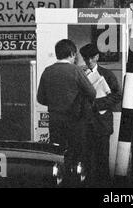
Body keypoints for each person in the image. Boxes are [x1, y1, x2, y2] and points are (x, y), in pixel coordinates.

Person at [37, 39, 96, 179]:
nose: (75, 57)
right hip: (75, 121)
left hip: (55, 120)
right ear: (71, 53)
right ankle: (74, 180)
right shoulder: (75, 70)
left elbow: (40, 98)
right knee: (75, 153)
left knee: (57, 152)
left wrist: (54, 103)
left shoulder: (48, 71)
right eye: (75, 54)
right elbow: (92, 93)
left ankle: (59, 179)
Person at [79, 43, 122, 187]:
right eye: (86, 59)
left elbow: (117, 95)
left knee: (102, 158)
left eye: (91, 58)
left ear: (97, 57)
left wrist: (97, 104)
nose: (88, 61)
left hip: (101, 123)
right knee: (86, 158)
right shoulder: (80, 74)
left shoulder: (107, 74)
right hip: (86, 123)